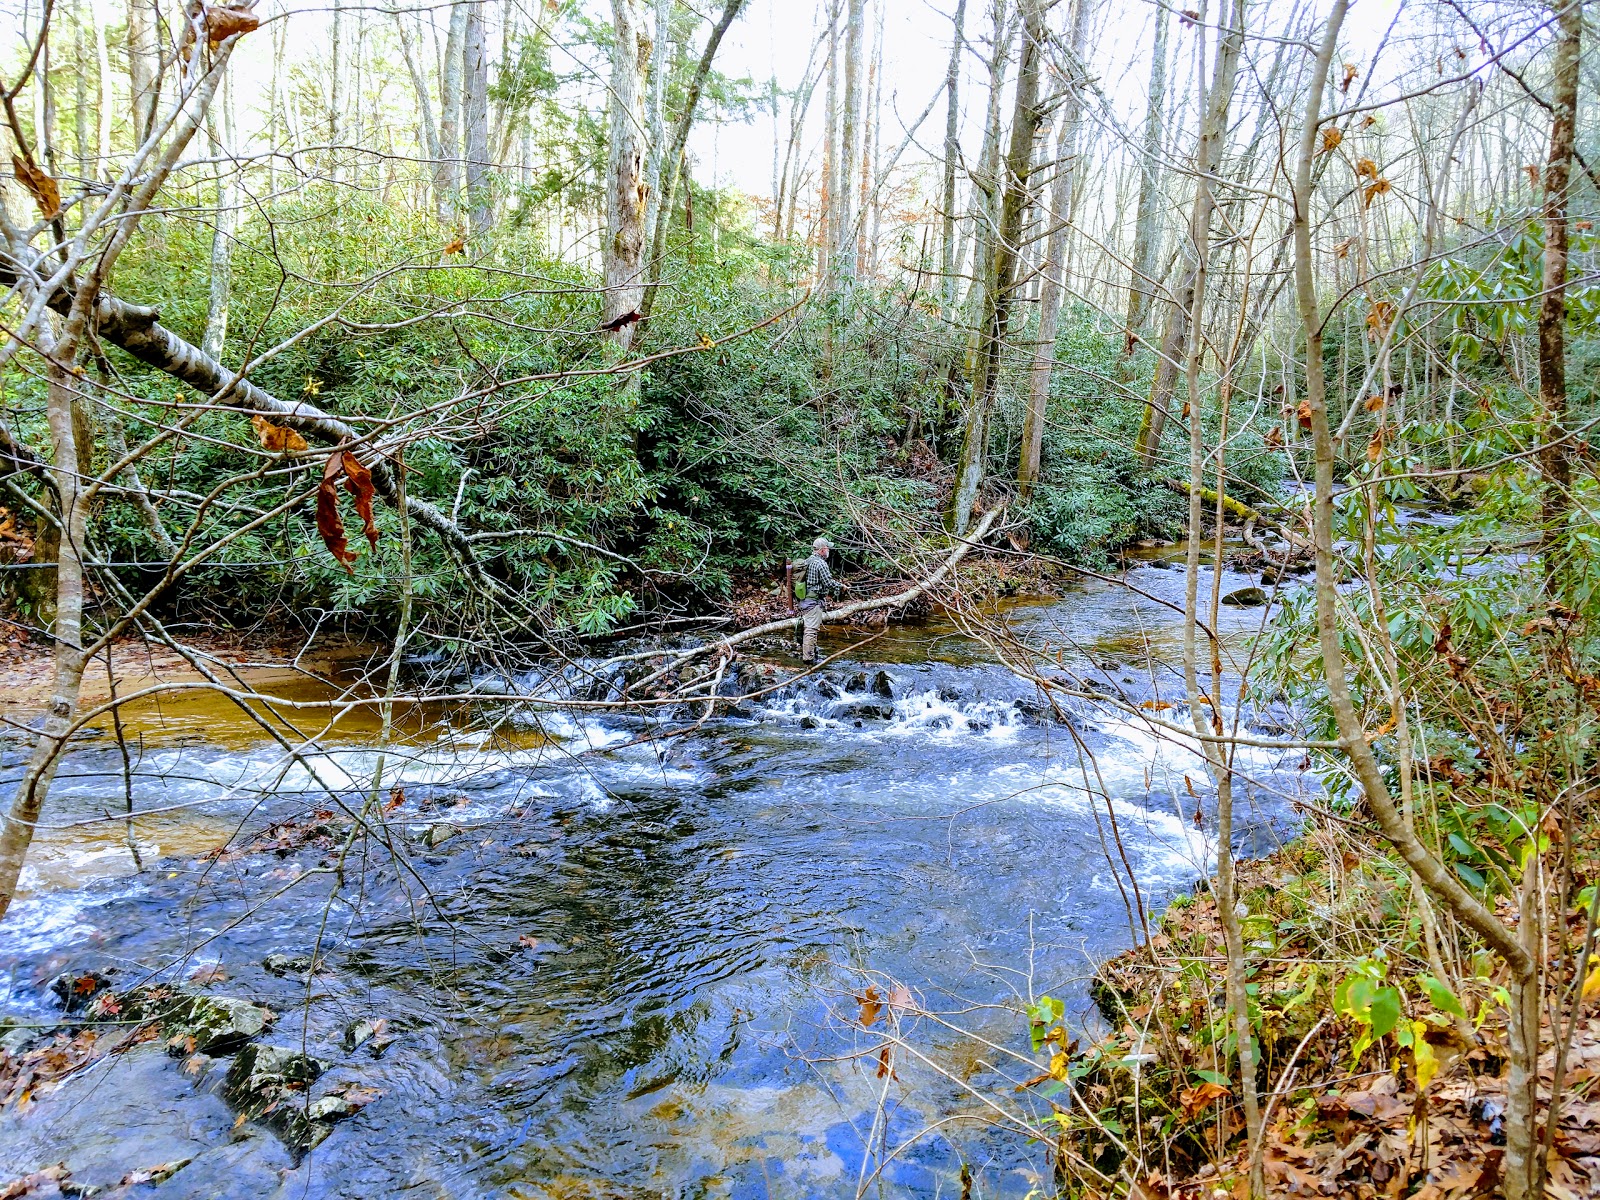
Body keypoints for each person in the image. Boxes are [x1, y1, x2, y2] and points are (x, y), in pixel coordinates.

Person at [791, 536, 842, 665]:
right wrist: (841, 587)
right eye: (827, 548)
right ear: (823, 550)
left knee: (809, 628)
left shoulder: (808, 561)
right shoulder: (821, 563)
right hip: (812, 602)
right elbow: (828, 583)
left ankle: (813, 654)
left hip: (803, 600)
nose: (829, 550)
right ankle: (808, 659)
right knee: (811, 630)